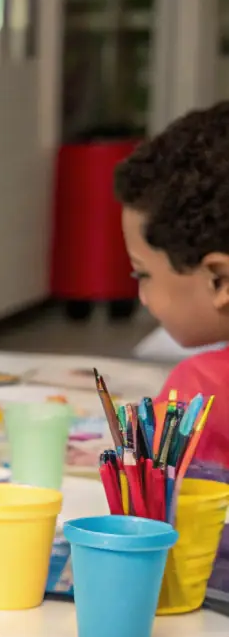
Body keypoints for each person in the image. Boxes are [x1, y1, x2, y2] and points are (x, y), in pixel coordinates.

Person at [116, 100, 229, 468]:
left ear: (220, 279)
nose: (143, 298)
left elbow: (154, 512)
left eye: (142, 274)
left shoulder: (203, 392)